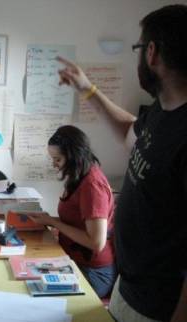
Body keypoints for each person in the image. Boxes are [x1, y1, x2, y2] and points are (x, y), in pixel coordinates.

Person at [56, 5, 187, 321]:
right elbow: (131, 133)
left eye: (139, 48)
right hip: (126, 288)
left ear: (151, 53)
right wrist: (88, 90)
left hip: (159, 307)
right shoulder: (162, 112)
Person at [27, 125, 116, 298]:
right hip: (73, 258)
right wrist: (48, 220)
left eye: (58, 159)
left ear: (74, 156)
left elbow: (96, 242)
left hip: (94, 271)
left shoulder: (92, 186)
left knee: (38, 294)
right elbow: (77, 222)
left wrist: (53, 222)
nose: (54, 164)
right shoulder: (78, 175)